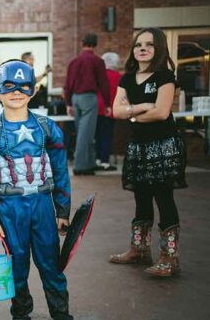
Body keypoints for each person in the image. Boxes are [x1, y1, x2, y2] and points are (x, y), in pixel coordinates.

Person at [0, 60, 72, 320]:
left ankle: (61, 314)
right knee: (16, 267)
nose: (16, 92)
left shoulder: (48, 127)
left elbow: (61, 170)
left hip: (42, 205)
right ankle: (20, 315)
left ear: (34, 90)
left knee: (51, 264)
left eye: (24, 86)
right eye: (8, 86)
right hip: (11, 209)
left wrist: (63, 210)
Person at [109, 28, 186, 277]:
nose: (142, 48)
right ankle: (139, 249)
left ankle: (169, 257)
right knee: (141, 198)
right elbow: (116, 112)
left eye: (149, 45)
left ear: (159, 48)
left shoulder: (165, 76)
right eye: (138, 44)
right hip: (138, 147)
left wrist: (131, 114)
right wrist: (141, 107)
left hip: (163, 146)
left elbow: (162, 113)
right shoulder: (127, 79)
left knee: (164, 198)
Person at [63, 33, 110, 175]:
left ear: (82, 43)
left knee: (84, 132)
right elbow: (103, 83)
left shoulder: (73, 62)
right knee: (86, 134)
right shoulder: (97, 61)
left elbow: (67, 84)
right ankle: (80, 166)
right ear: (95, 44)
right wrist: (107, 104)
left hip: (75, 98)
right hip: (89, 98)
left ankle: (89, 163)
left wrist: (68, 103)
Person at [94, 52, 122, 171]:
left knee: (97, 135)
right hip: (110, 109)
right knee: (106, 136)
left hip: (96, 109)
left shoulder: (97, 75)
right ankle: (105, 162)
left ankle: (97, 159)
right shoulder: (118, 76)